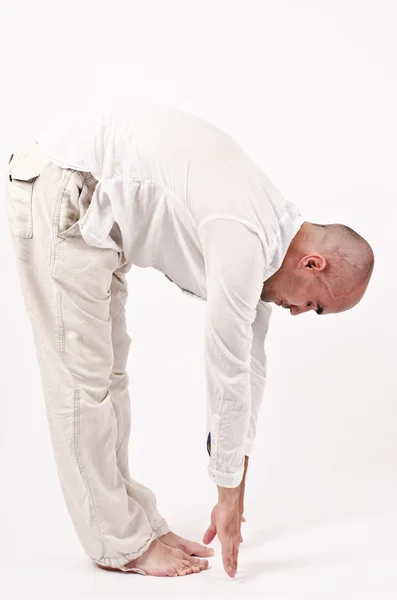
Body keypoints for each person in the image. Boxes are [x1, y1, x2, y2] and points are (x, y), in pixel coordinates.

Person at [5, 103, 374, 579]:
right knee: (82, 385)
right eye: (316, 305)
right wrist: (226, 490)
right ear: (313, 266)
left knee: (108, 379)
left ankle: (133, 526)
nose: (302, 314)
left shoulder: (268, 236)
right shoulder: (244, 237)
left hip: (94, 212)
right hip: (65, 188)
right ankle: (117, 544)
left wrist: (234, 487)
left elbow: (250, 367)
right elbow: (225, 368)